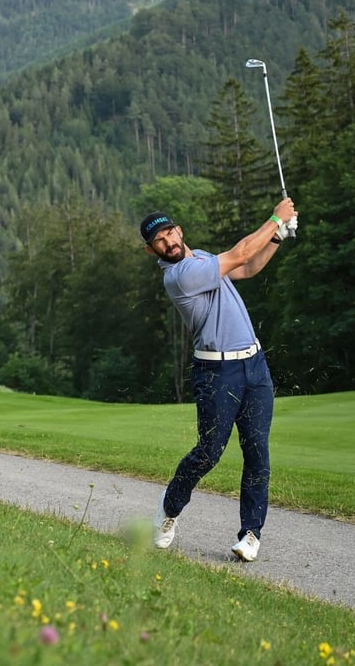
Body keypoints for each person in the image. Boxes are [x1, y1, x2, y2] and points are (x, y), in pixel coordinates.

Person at [140, 199, 297, 562]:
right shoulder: (179, 275)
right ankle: (169, 509)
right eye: (159, 240)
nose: (168, 241)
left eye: (169, 233)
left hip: (254, 366)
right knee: (209, 453)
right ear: (152, 250)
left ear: (179, 231)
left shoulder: (201, 258)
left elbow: (248, 267)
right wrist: (275, 219)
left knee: (257, 452)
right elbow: (241, 254)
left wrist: (277, 237)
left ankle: (250, 534)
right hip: (217, 373)